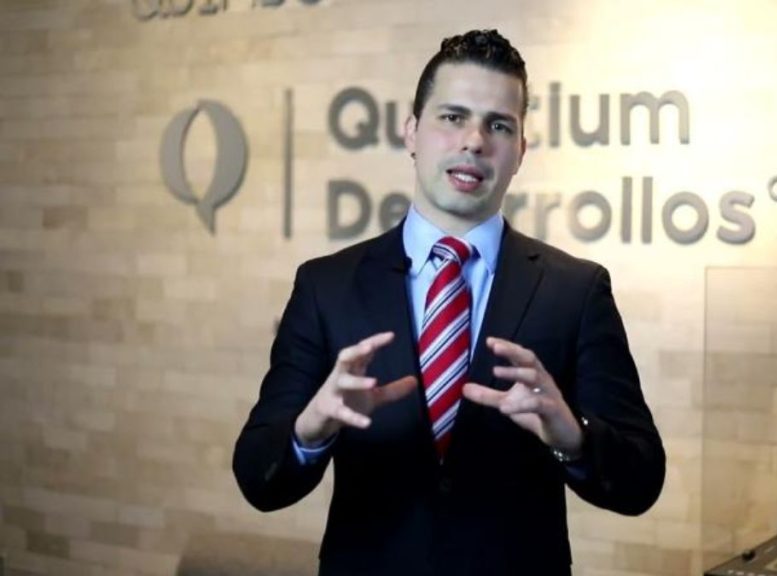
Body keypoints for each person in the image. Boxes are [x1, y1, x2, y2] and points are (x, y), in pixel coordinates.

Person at [232, 29, 665, 576]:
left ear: (520, 152)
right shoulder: (326, 286)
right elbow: (257, 477)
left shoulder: (575, 291)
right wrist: (310, 430)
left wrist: (574, 437)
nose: (475, 141)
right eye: (452, 117)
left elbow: (641, 481)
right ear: (411, 132)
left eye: (499, 125)